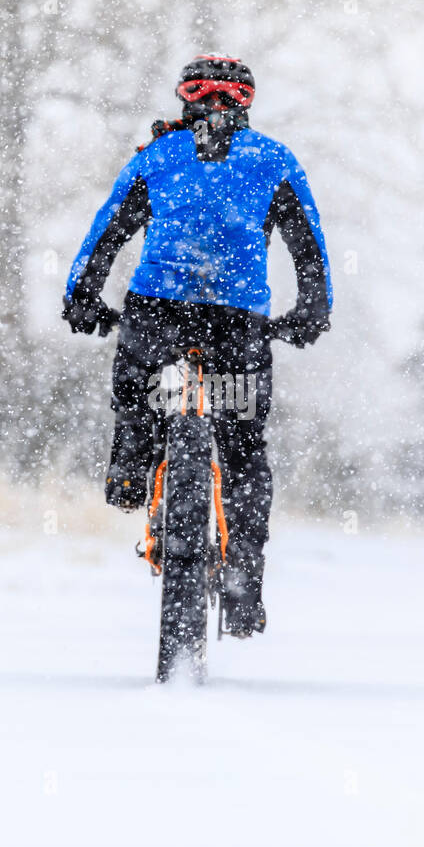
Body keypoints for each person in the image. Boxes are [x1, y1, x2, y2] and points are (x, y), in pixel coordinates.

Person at [62, 54, 332, 638]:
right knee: (241, 452)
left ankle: (131, 469)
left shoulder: (157, 156)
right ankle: (243, 590)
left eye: (223, 96)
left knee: (137, 385)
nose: (216, 106)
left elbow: (106, 231)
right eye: (208, 93)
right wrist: (313, 309)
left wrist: (82, 294)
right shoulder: (274, 160)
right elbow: (308, 245)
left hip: (159, 312)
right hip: (238, 323)